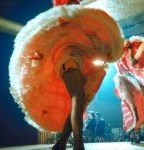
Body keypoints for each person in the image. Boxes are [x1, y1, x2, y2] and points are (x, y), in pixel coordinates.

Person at [9, 0, 123, 149]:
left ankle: (61, 143)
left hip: (79, 65)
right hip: (67, 60)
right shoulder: (62, 24)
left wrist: (104, 50)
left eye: (77, 5)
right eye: (72, 4)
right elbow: (46, 38)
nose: (76, 7)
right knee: (78, 97)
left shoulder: (81, 27)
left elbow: (91, 42)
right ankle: (78, 144)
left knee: (78, 105)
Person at [114, 36, 144, 137]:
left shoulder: (139, 46)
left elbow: (132, 63)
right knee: (134, 105)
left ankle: (136, 126)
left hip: (138, 79)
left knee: (138, 105)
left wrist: (130, 47)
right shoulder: (134, 46)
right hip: (135, 80)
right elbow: (128, 67)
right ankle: (135, 126)